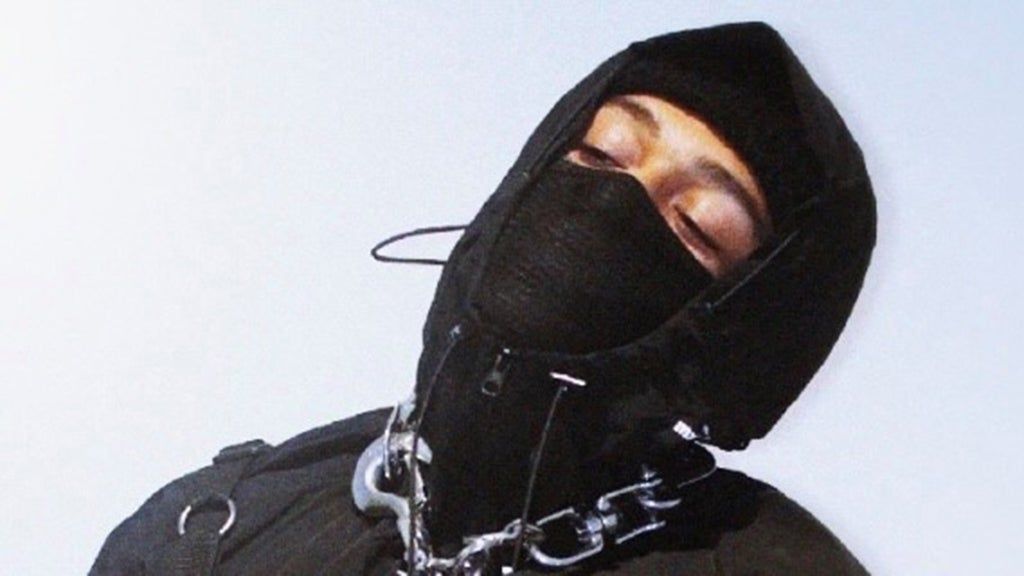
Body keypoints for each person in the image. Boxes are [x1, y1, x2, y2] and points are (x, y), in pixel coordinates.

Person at [90, 22, 876, 576]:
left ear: (742, 326)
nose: (610, 207)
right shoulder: (215, 523)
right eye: (600, 153)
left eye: (698, 225)